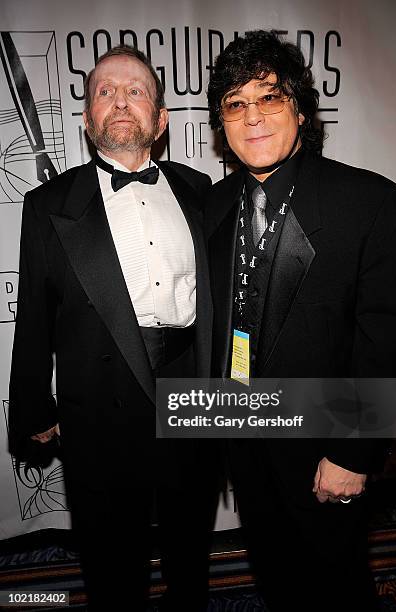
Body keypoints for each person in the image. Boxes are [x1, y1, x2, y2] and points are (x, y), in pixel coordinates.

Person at [8, 45, 219, 611]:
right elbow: (33, 315)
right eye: (105, 91)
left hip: (190, 397)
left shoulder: (204, 192)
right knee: (111, 566)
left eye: (135, 91)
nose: (120, 102)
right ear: (86, 118)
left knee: (189, 554)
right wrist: (32, 407)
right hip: (99, 404)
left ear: (161, 118)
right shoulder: (48, 204)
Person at [206, 30, 396, 611]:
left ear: (301, 106)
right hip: (246, 444)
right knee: (278, 581)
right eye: (236, 104)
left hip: (327, 452)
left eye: (269, 97)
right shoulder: (214, 208)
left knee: (337, 589)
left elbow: (389, 341)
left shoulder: (372, 204)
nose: (253, 117)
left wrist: (353, 452)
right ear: (222, 122)